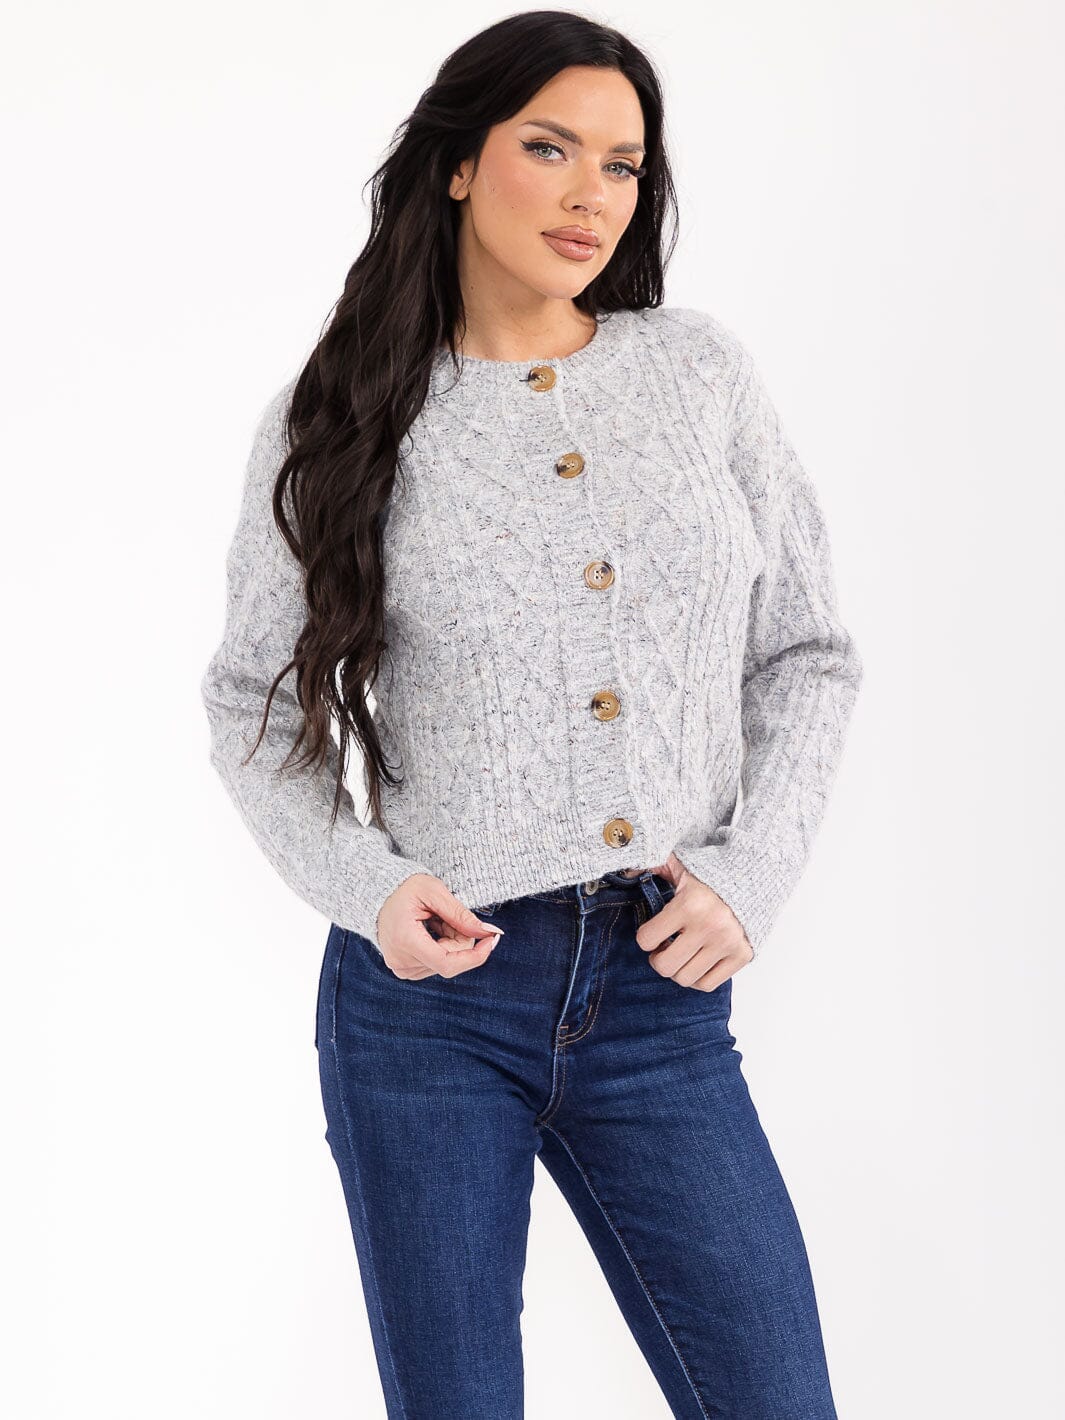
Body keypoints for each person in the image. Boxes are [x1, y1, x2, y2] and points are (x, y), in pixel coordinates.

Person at [200, 12, 863, 1418]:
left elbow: (807, 652)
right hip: (430, 1005)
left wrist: (750, 871)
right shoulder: (339, 415)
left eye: (623, 165)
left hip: (661, 997)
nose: (591, 197)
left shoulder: (696, 374)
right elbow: (251, 697)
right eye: (550, 149)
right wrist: (367, 887)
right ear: (458, 163)